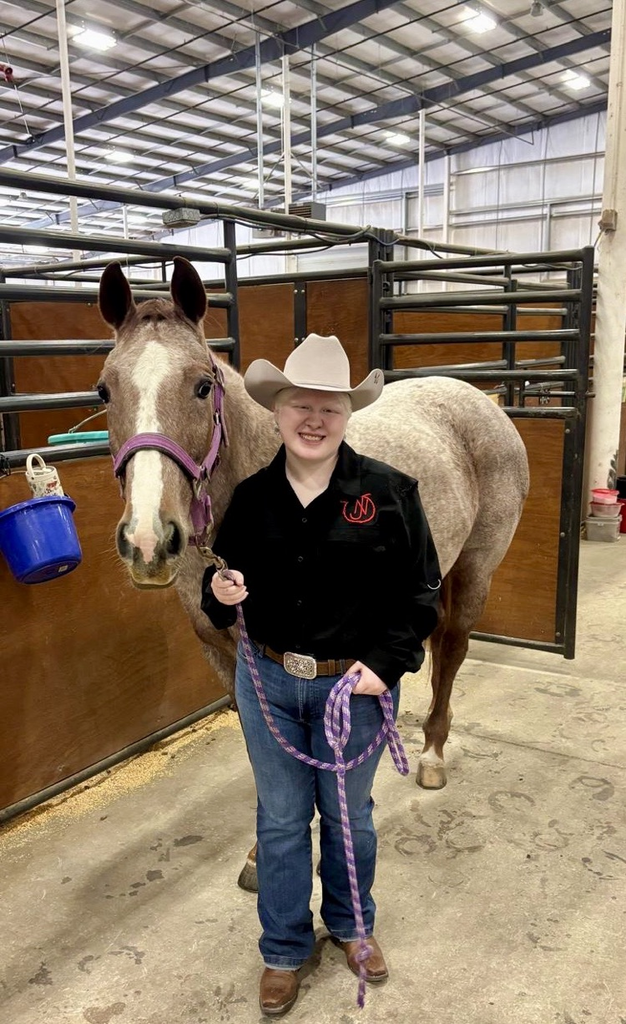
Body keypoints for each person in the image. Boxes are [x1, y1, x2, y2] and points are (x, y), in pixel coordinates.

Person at [201, 334, 441, 1016]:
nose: (313, 420)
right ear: (278, 411)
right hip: (269, 684)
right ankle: (281, 949)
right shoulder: (249, 500)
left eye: (328, 408)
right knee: (279, 820)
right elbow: (220, 590)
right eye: (300, 405)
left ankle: (350, 925)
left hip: (352, 687)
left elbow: (421, 592)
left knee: (347, 817)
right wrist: (220, 597)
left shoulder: (390, 494)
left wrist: (387, 664)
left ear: (347, 414)